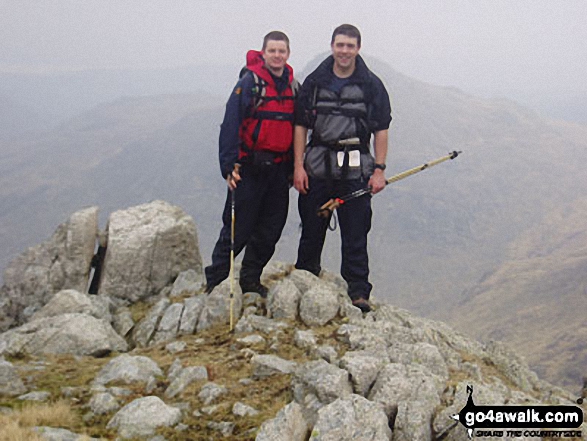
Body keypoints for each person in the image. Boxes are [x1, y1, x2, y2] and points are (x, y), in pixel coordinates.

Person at [293, 24, 392, 312]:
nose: (344, 51)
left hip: (356, 170)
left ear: (358, 48)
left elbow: (381, 129)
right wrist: (298, 166)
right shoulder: (314, 83)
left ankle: (359, 292)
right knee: (312, 227)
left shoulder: (372, 85)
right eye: (340, 45)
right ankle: (305, 278)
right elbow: (300, 125)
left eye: (350, 46)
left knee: (356, 231)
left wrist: (379, 170)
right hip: (317, 167)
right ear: (332, 46)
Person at [205, 31, 297, 297]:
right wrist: (228, 165)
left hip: (279, 171)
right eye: (272, 51)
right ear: (264, 53)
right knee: (237, 229)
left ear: (288, 54)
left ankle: (250, 280)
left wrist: (294, 167)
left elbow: (298, 130)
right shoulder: (249, 83)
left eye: (282, 51)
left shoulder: (293, 87)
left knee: (270, 230)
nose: (277, 56)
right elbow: (230, 124)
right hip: (248, 169)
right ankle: (216, 280)